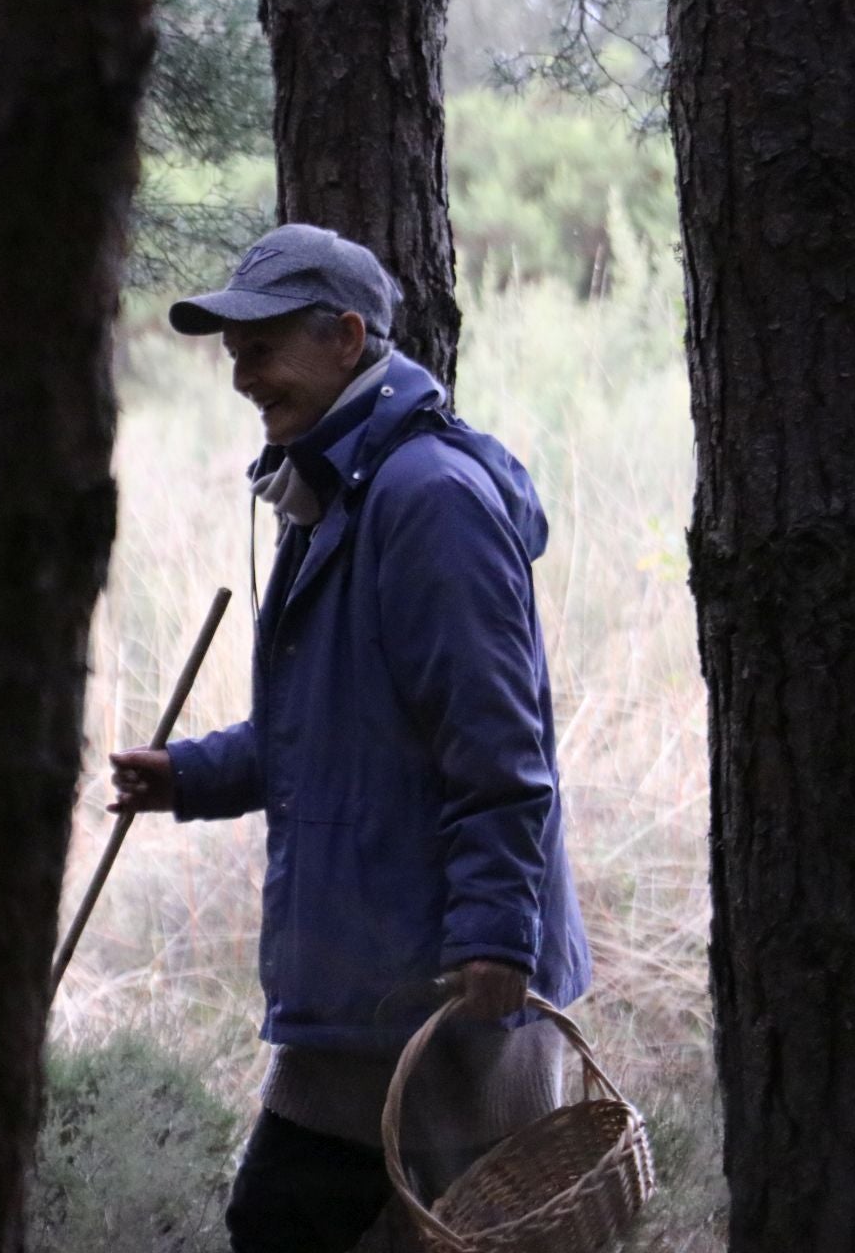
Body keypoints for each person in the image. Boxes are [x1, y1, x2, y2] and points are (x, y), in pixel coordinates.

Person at [108, 224, 591, 1252]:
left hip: (443, 987)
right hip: (367, 981)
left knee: (313, 1225)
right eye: (232, 350)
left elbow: (500, 745)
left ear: (347, 337)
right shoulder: (337, 494)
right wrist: (188, 774)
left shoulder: (427, 500)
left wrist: (499, 936)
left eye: (262, 345)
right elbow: (330, 735)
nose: (242, 374)